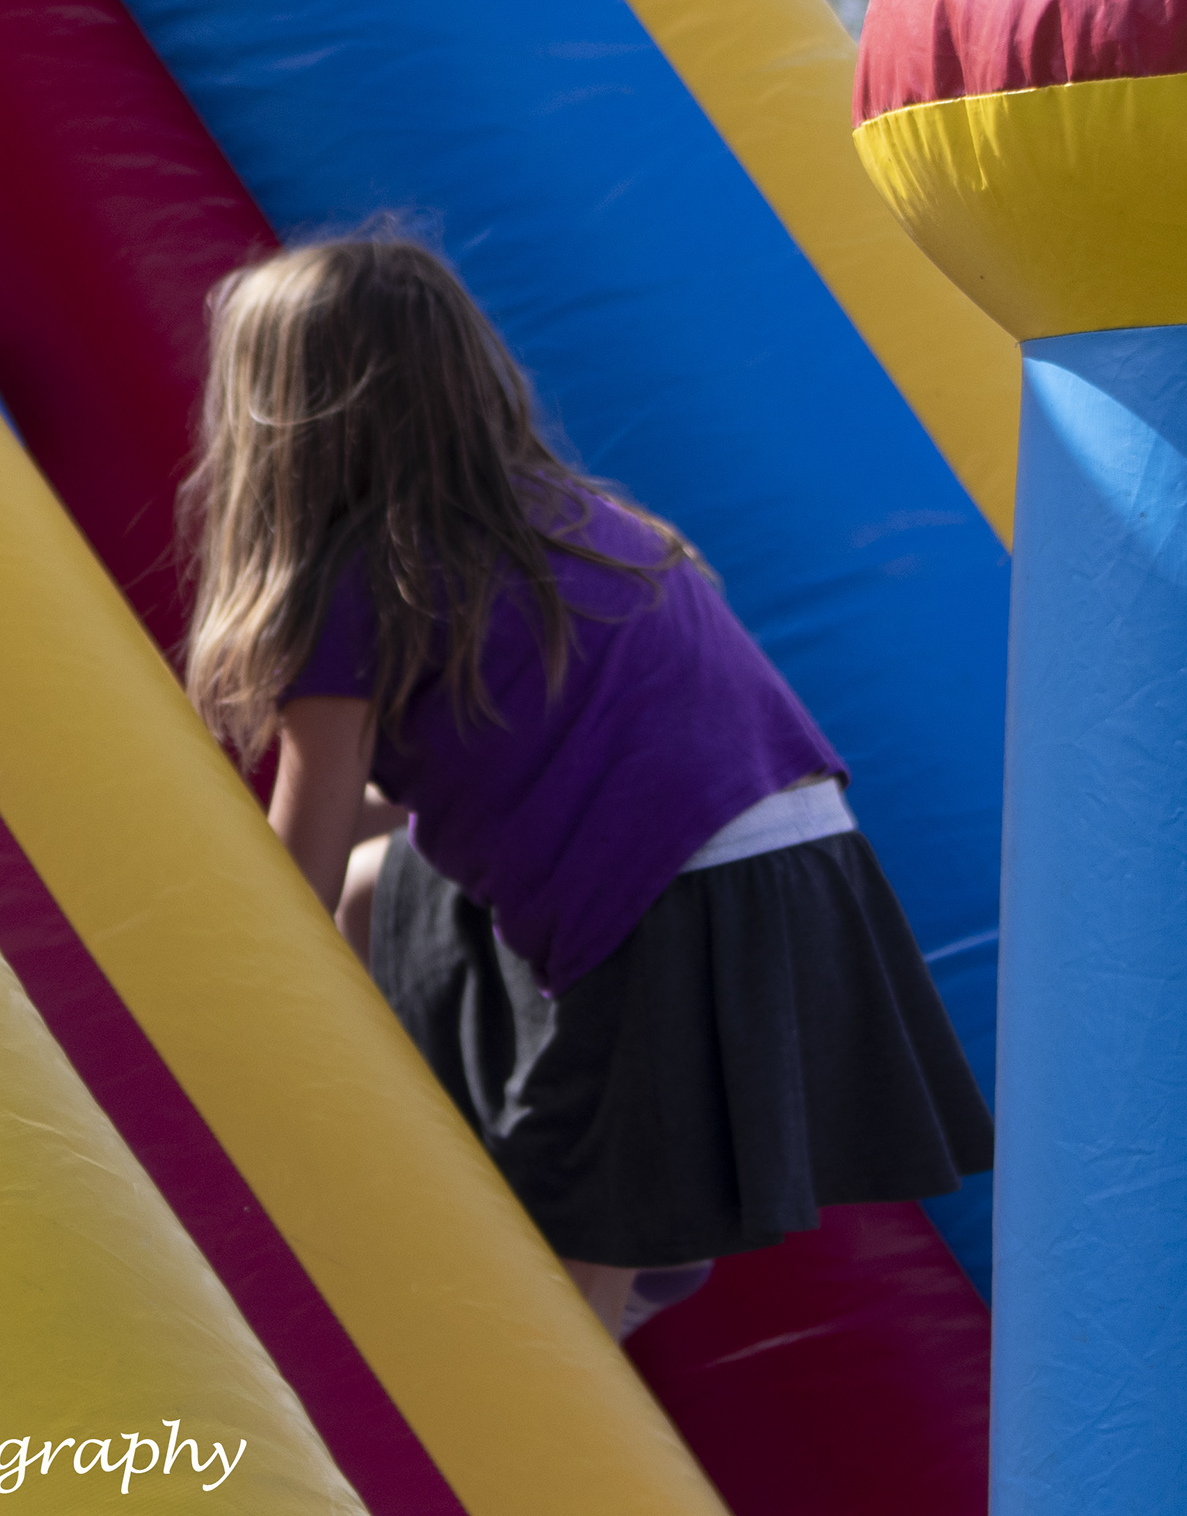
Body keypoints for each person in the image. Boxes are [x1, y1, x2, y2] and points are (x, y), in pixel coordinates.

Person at [180, 229, 991, 1337]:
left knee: (562, 1301)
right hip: (799, 875)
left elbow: (297, 876)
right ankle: (536, 1186)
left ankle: (570, 1285)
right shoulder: (577, 522)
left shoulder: (358, 588)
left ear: (282, 425)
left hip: (675, 910)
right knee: (388, 891)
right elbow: (463, 790)